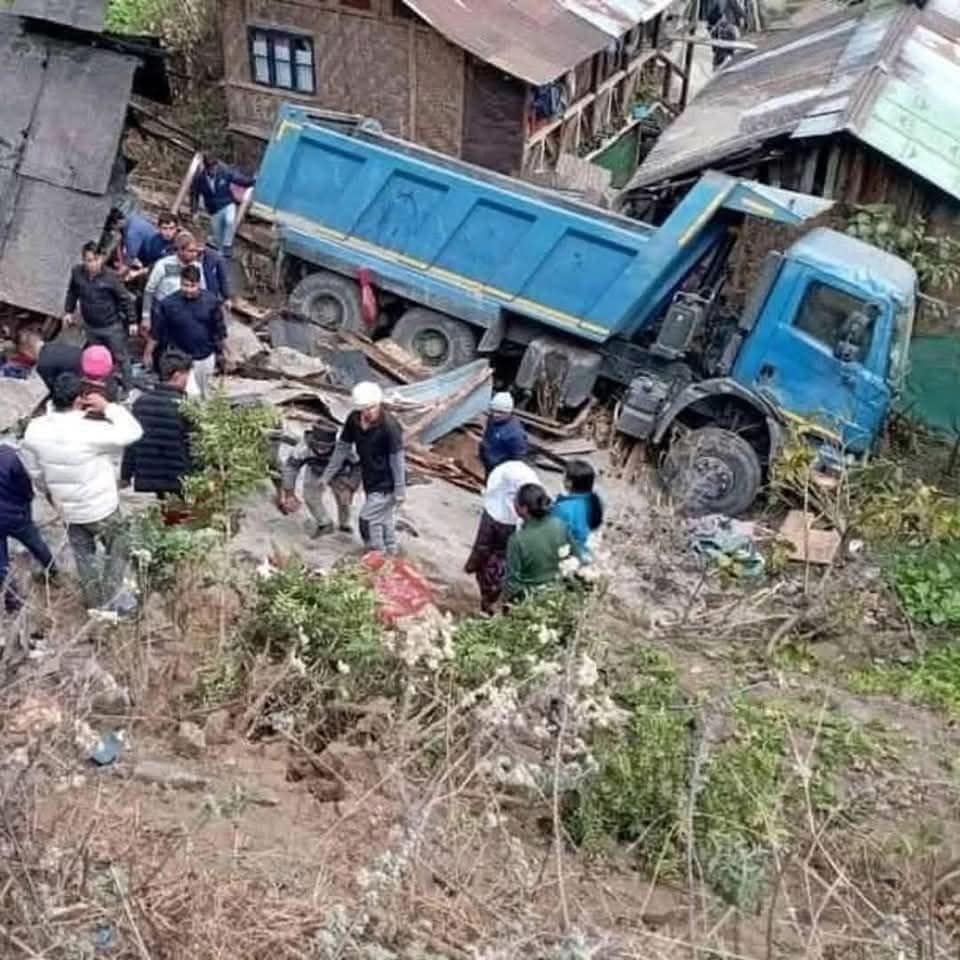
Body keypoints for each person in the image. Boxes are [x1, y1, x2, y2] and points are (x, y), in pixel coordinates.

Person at [20, 373, 143, 616]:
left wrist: (52, 494)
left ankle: (94, 603)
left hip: (69, 508)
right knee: (119, 547)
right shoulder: (89, 430)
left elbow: (35, 471)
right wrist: (108, 407)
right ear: (79, 400)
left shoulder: (35, 429)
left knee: (83, 556)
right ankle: (112, 599)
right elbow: (133, 432)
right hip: (101, 507)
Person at [321, 381, 405, 555]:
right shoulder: (353, 420)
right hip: (369, 477)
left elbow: (397, 460)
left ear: (379, 404)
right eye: (364, 409)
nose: (368, 413)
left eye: (372, 408)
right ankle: (391, 551)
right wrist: (327, 475)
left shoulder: (390, 427)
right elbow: (342, 448)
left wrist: (400, 490)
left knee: (368, 520)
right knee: (384, 519)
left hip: (387, 482)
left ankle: (376, 552)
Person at [465, 459, 539, 614]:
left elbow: (482, 544)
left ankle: (489, 607)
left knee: (493, 581)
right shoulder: (534, 508)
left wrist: (473, 564)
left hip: (499, 569)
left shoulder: (496, 513)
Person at [121, 351, 195, 498]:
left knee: (166, 513)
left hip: (152, 475)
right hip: (178, 475)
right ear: (177, 375)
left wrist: (126, 474)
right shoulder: (185, 407)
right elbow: (194, 446)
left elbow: (132, 442)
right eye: (187, 375)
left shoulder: (140, 403)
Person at [145, 264, 225, 398]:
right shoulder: (168, 304)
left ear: (199, 284)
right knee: (182, 395)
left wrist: (223, 353)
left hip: (204, 356)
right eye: (184, 285)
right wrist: (148, 352)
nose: (188, 290)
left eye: (192, 286)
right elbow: (156, 331)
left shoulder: (211, 301)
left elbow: (219, 329)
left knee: (203, 393)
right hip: (180, 359)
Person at [63, 242, 135, 389]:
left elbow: (125, 298)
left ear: (101, 258)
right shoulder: (77, 273)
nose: (93, 264)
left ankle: (129, 387)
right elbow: (72, 292)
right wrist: (68, 311)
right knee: (96, 359)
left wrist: (133, 321)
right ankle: (102, 387)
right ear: (83, 260)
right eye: (89, 260)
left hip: (111, 326)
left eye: (96, 260)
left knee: (121, 357)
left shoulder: (111, 277)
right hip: (91, 326)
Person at [0, 443, 56, 614]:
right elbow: (25, 487)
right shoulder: (12, 457)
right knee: (36, 543)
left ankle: (13, 601)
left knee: (1, 563)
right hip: (16, 516)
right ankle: (52, 572)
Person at [279, 421, 362, 537]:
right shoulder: (303, 448)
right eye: (317, 446)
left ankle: (344, 524)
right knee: (310, 496)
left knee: (343, 500)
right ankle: (325, 523)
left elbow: (358, 466)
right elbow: (291, 468)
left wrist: (351, 487)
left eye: (325, 447)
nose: (321, 450)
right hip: (315, 470)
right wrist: (289, 493)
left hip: (339, 473)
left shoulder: (345, 448)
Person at [504, 483, 573, 601]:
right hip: (557, 592)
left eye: (515, 500)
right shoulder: (559, 525)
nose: (513, 503)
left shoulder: (517, 540)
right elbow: (572, 558)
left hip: (531, 599)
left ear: (524, 509)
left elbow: (512, 584)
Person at [190, 153, 255, 260]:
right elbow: (194, 194)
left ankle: (227, 245)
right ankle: (220, 253)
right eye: (211, 168)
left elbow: (239, 179)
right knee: (218, 234)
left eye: (215, 167)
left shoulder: (224, 171)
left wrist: (253, 181)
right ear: (207, 168)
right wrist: (194, 211)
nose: (214, 170)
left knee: (230, 221)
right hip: (214, 209)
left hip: (227, 203)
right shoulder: (199, 178)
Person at [142, 230, 205, 331]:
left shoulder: (197, 266)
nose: (194, 254)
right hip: (162, 310)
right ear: (180, 250)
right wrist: (146, 317)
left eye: (196, 251)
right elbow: (149, 291)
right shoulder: (163, 265)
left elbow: (202, 290)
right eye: (191, 251)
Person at [552, 459, 604, 559]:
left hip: (570, 556)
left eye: (564, 476)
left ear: (569, 483)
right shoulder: (595, 500)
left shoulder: (563, 508)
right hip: (588, 552)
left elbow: (554, 536)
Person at [479, 392, 529, 475]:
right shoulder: (492, 420)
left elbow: (518, 461)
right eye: (493, 411)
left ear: (509, 412)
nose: (495, 415)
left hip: (501, 471)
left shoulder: (516, 435)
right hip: (489, 463)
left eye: (500, 412)